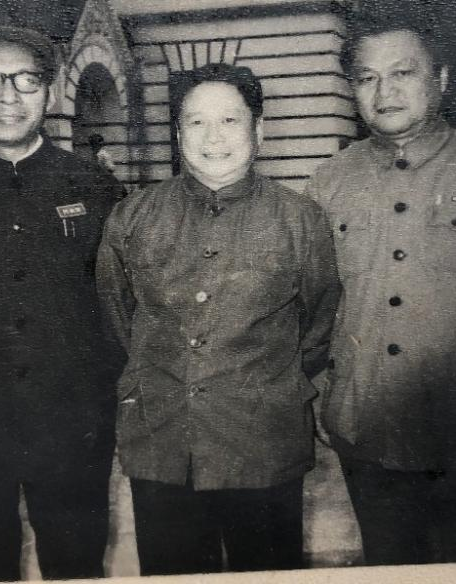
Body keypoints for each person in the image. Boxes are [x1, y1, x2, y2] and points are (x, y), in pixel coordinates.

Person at [97, 63, 340, 575]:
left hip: (263, 445)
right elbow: (118, 318)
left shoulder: (300, 219)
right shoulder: (132, 217)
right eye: (196, 122)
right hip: (163, 444)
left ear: (259, 130)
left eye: (230, 120)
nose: (213, 138)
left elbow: (318, 324)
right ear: (177, 132)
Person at [307, 8, 456, 566]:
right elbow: (312, 303)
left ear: (441, 79)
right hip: (365, 426)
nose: (384, 91)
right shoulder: (329, 181)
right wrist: (320, 391)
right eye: (367, 77)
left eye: (403, 73)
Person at [0, 26, 124, 581]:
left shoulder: (94, 187)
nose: (7, 98)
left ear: (52, 91)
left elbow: (119, 305)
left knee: (76, 564)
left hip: (71, 425)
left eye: (25, 80)